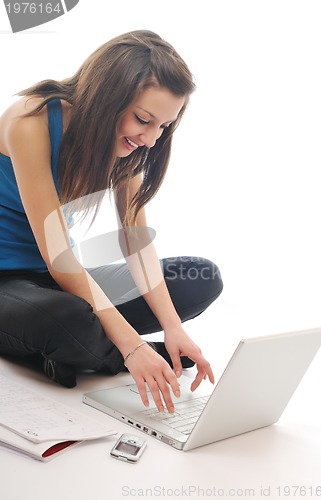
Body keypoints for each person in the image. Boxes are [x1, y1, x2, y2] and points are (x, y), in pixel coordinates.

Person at [0, 30, 222, 414]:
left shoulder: (127, 146)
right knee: (64, 317)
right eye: (143, 119)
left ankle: (82, 351)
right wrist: (133, 345)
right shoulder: (30, 120)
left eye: (163, 126)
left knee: (198, 277)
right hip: (14, 281)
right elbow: (58, 258)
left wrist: (173, 326)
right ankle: (129, 354)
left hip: (60, 278)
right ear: (107, 98)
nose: (151, 139)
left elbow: (135, 240)